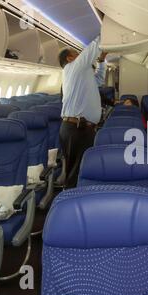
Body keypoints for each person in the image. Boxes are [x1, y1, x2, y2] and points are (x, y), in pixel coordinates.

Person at [58, 36, 107, 188]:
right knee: (75, 175)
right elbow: (94, 46)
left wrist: (101, 60)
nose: (80, 55)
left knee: (81, 172)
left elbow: (99, 79)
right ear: (70, 57)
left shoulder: (80, 73)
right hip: (76, 128)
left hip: (82, 128)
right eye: (76, 53)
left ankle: (78, 202)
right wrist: (108, 27)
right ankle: (70, 206)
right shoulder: (74, 67)